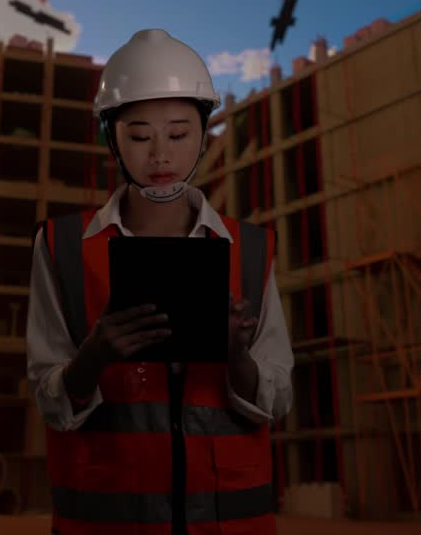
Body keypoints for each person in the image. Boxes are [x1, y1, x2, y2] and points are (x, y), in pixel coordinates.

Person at [26, 28, 295, 534]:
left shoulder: (251, 249)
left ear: (202, 133)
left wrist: (236, 357)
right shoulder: (60, 247)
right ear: (111, 135)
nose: (159, 157)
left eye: (178, 134)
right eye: (139, 135)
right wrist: (92, 358)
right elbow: (48, 398)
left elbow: (277, 399)